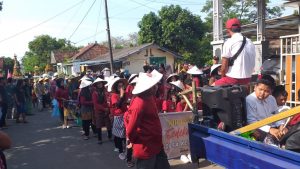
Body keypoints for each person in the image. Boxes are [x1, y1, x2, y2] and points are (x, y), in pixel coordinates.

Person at [125, 69, 170, 169]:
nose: (156, 87)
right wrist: (136, 141)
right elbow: (131, 129)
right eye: (153, 85)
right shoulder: (139, 103)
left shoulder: (150, 98)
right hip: (145, 148)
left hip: (156, 144)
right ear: (147, 88)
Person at [246, 76, 287, 144]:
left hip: (271, 129)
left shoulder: (272, 99)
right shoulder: (250, 100)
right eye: (260, 89)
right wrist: (270, 129)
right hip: (257, 130)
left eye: (266, 91)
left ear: (271, 91)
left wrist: (281, 126)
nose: (262, 93)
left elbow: (276, 115)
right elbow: (251, 121)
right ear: (255, 87)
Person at [214, 18, 256, 86]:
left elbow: (224, 68)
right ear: (240, 28)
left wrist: (223, 78)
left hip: (233, 79)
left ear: (228, 29)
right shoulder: (250, 41)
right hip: (248, 79)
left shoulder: (229, 42)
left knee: (211, 88)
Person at [108, 77, 128, 160]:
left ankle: (123, 148)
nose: (121, 88)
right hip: (118, 116)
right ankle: (120, 151)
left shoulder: (124, 94)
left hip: (125, 115)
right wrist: (122, 95)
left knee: (124, 134)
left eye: (122, 86)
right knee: (118, 135)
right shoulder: (114, 95)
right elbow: (118, 105)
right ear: (116, 87)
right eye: (119, 86)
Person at [92, 78, 112, 144]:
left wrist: (107, 108)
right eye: (98, 83)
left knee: (108, 124)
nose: (99, 84)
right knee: (98, 125)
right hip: (99, 111)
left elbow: (108, 100)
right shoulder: (94, 93)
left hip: (106, 110)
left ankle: (110, 137)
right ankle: (99, 139)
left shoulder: (105, 91)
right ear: (96, 85)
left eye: (100, 83)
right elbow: (96, 104)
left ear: (102, 84)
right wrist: (104, 108)